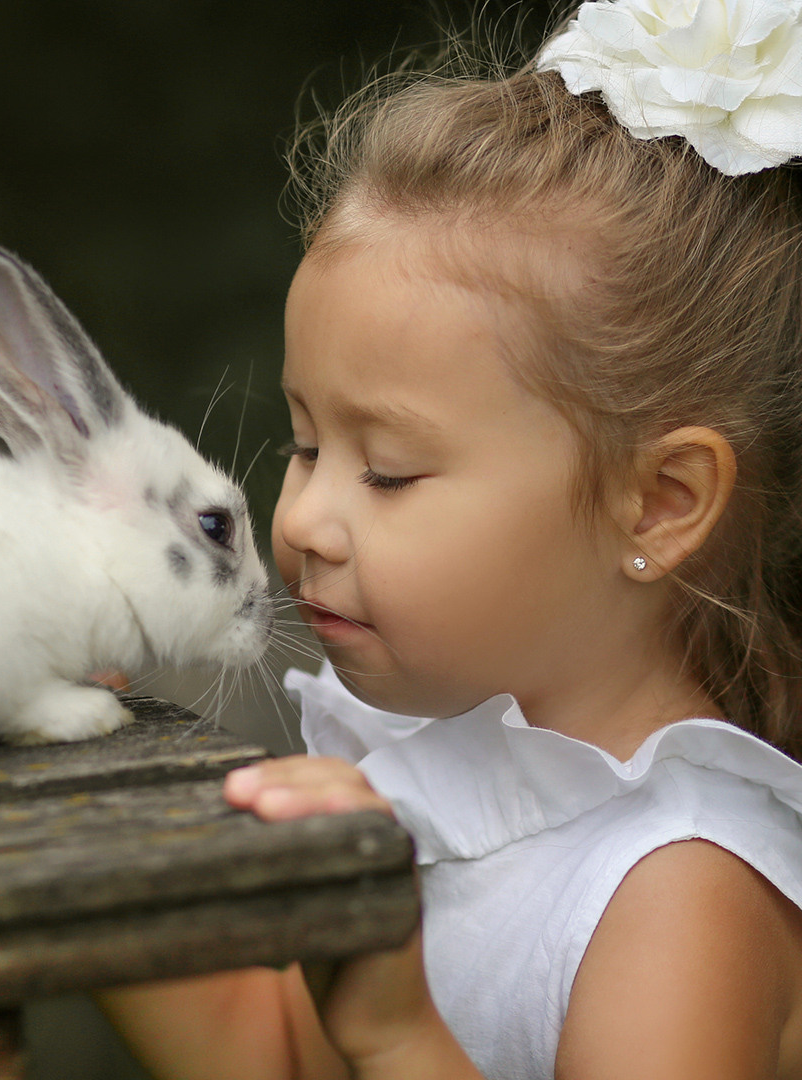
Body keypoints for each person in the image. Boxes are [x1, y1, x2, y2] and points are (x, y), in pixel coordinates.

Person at [96, 1, 802, 1075]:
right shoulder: (434, 764)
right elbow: (275, 1057)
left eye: (389, 471)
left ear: (658, 502)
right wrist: (105, 806)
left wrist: (394, 1028)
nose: (303, 522)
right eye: (305, 447)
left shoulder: (680, 889)